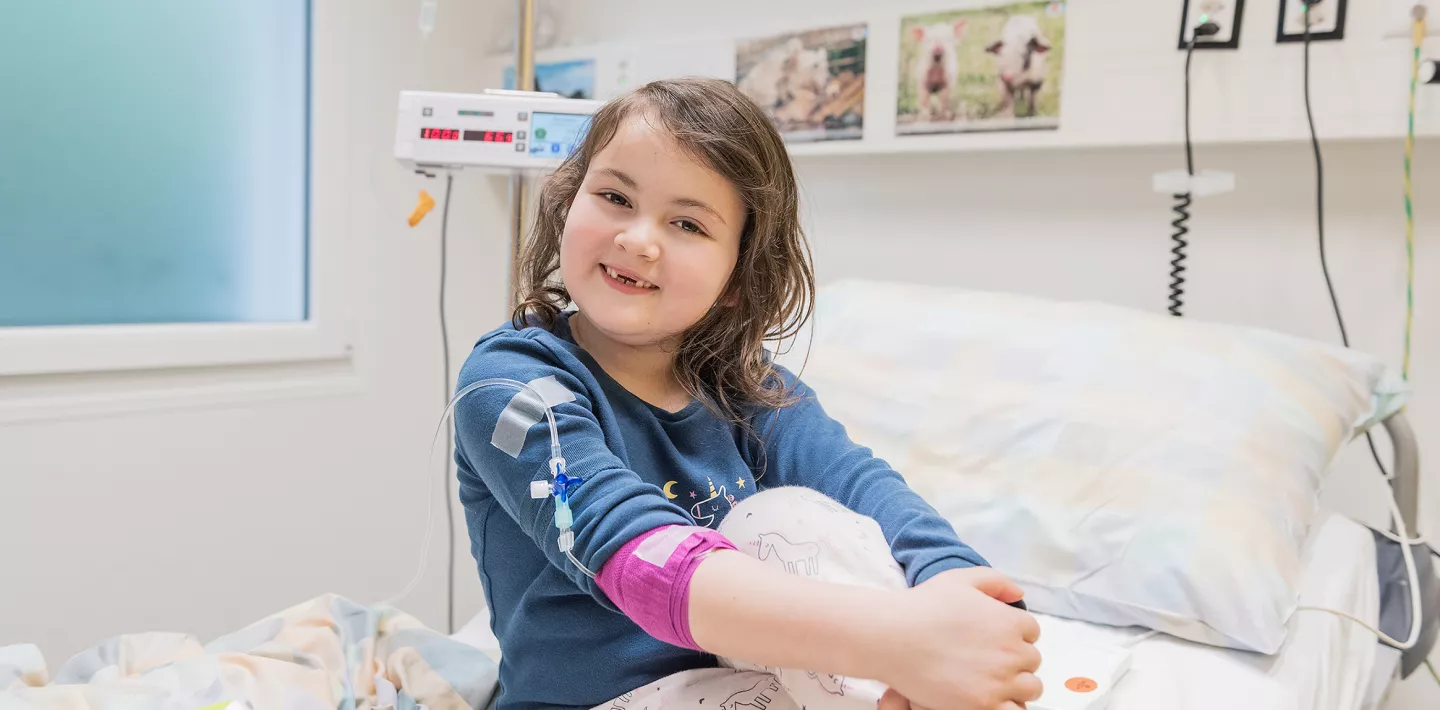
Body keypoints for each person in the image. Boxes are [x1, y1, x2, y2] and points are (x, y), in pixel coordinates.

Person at [453, 77, 1041, 710]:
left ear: (739, 276)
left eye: (686, 223)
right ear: (570, 202)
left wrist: (960, 597)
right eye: (615, 196)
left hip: (761, 687)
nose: (637, 239)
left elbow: (870, 494)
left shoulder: (752, 392)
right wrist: (898, 642)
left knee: (791, 521)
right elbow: (635, 557)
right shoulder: (513, 390)